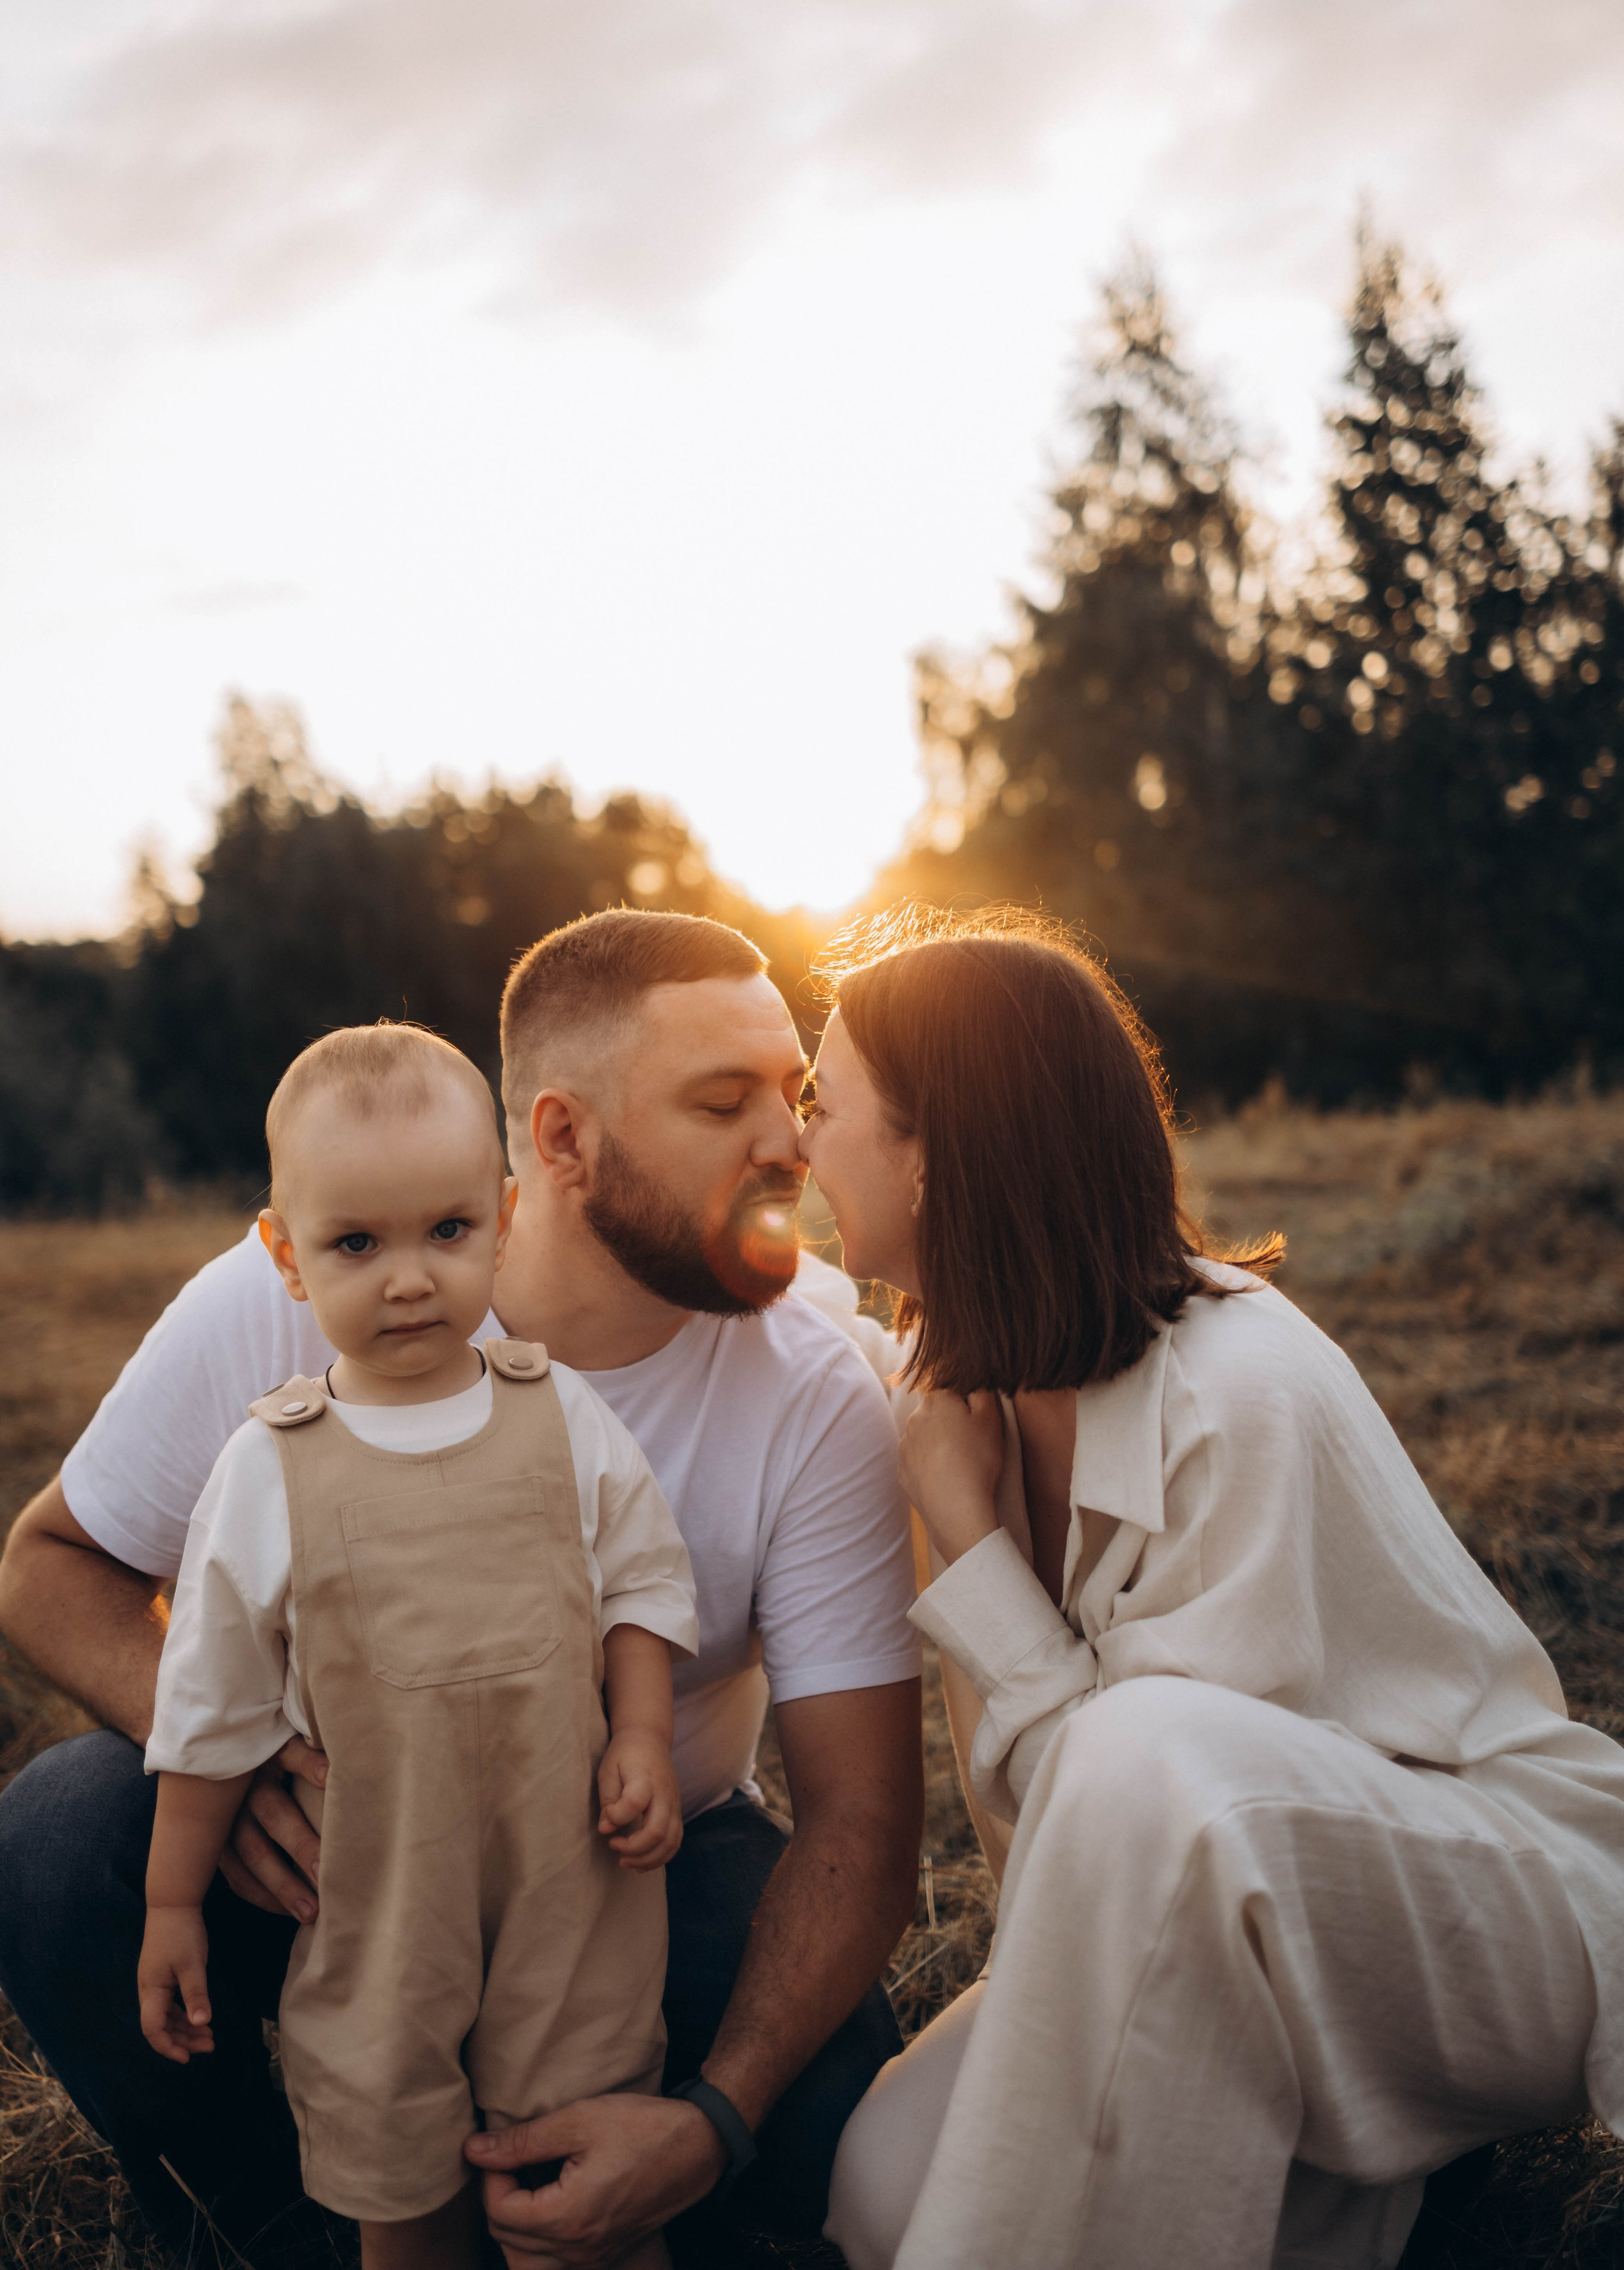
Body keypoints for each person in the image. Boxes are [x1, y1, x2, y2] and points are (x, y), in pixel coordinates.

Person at [0, 910, 923, 2270]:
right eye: (723, 1103)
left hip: (640, 1851)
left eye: (789, 1097)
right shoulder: (296, 1297)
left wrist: (713, 2123)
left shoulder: (812, 1390)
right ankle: (264, 2222)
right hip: (340, 1841)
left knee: (834, 2111)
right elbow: (46, 1565)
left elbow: (860, 1821)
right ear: (559, 1142)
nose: (788, 1144)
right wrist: (234, 1755)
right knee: (63, 1844)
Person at [804, 914, 1624, 2270]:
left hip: (1476, 1910)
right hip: (1231, 1940)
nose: (800, 1143)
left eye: (821, 1104)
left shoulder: (1234, 1392)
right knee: (882, 2194)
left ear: (931, 1155)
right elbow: (1056, 1878)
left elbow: (1160, 1824)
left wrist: (967, 1534)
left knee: (1141, 1748)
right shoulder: (960, 1393)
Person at [139, 1021, 697, 2270]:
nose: (407, 1278)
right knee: (400, 2178)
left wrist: (646, 1734)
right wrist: (174, 1898)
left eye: (445, 1232)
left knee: (588, 2185)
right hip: (378, 1898)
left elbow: (642, 1582)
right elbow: (211, 1706)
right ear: (285, 1255)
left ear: (503, 1218)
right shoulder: (271, 1465)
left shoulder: (558, 1414)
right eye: (355, 1243)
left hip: (571, 1885)